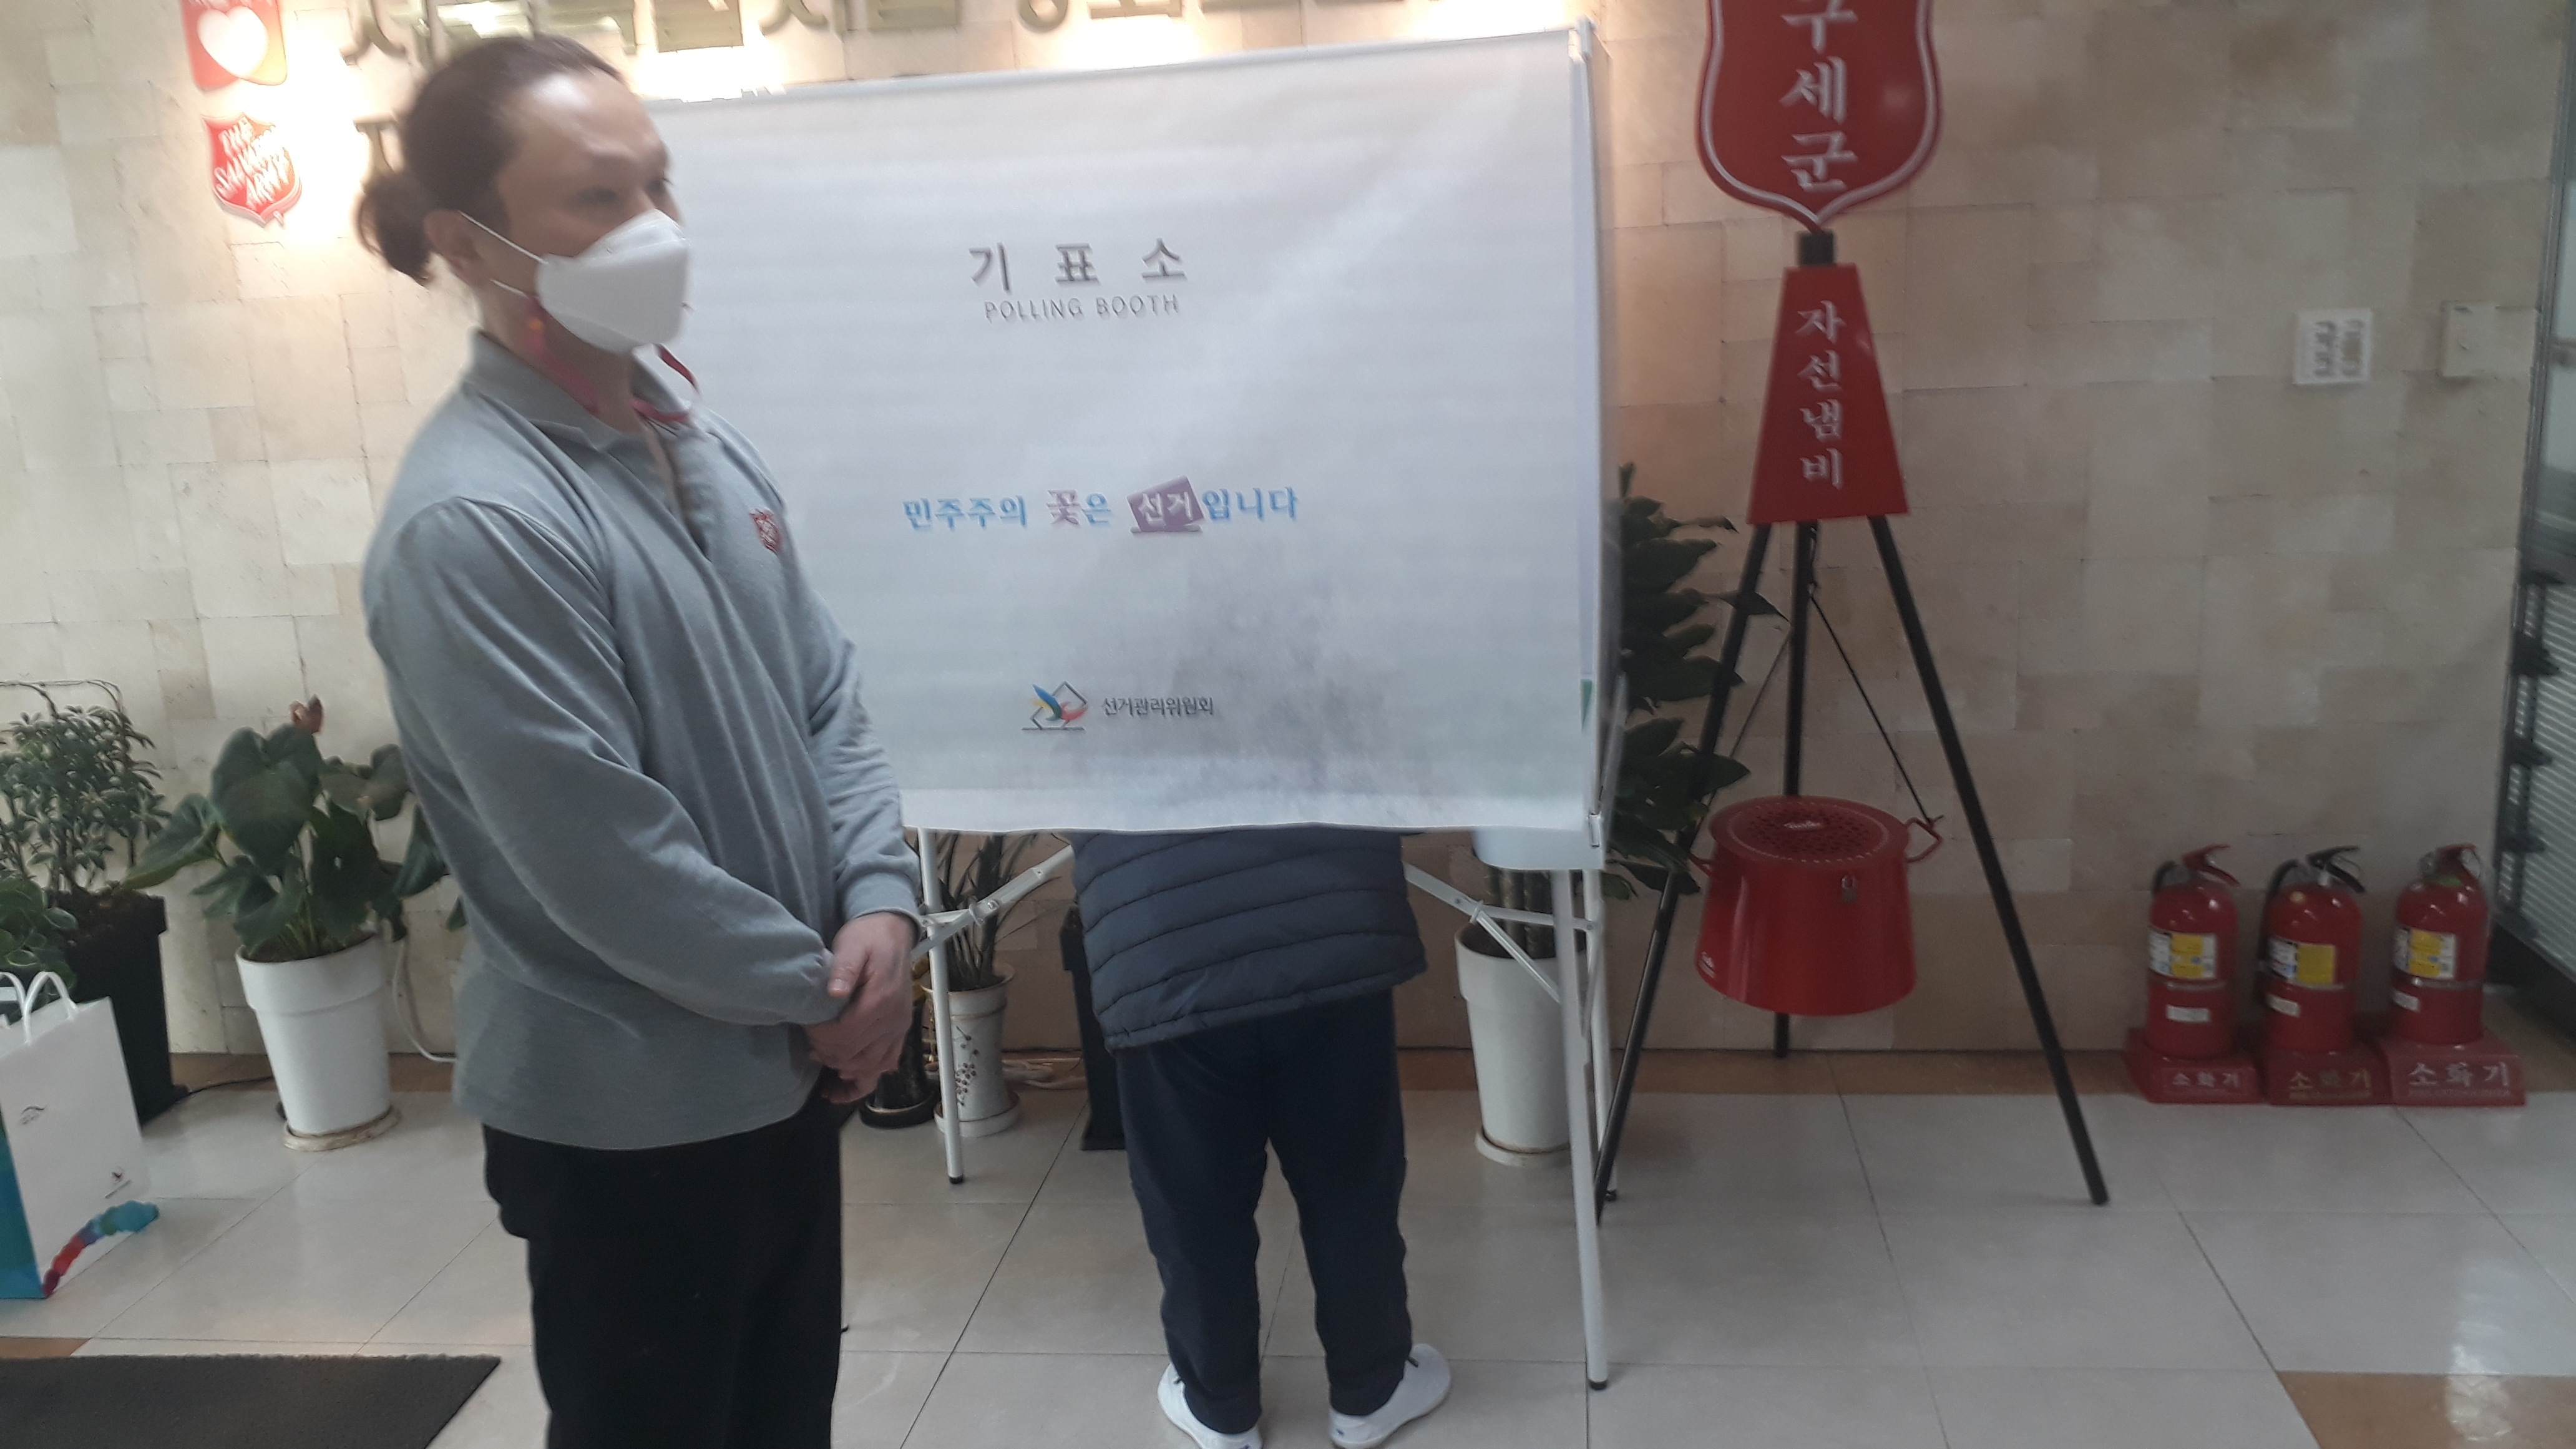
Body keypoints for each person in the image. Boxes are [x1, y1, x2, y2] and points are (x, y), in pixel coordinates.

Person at [354, 37, 920, 1449]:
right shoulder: (476, 519)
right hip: (628, 1116)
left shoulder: (699, 440)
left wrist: (880, 905)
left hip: (780, 1067)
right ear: (466, 242)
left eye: (656, 185)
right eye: (596, 198)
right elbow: (603, 858)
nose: (650, 226)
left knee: (782, 1415)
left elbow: (826, 694)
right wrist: (825, 992)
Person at [1072, 826, 1451, 1449]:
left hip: (1162, 937)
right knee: (1349, 1184)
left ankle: (1220, 1409)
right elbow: (1411, 790)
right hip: (1326, 920)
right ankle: (1371, 1392)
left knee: (1194, 1204)